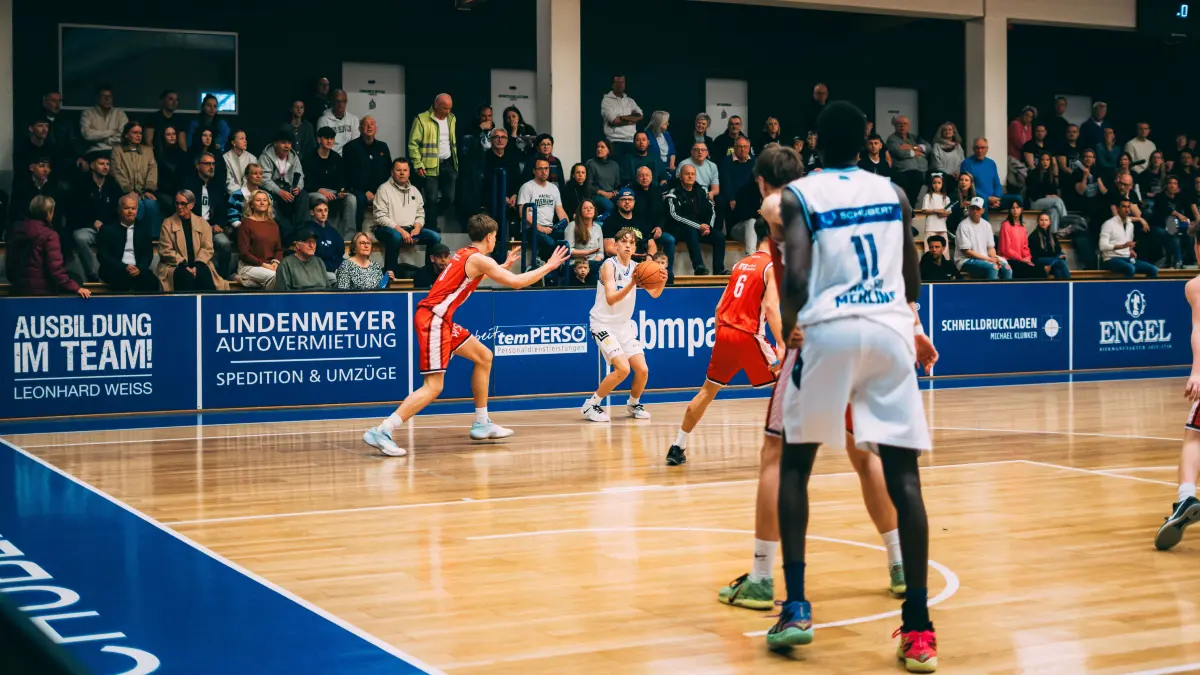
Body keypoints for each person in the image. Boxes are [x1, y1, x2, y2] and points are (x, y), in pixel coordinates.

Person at [768, 101, 937, 671]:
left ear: (815, 142)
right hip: (890, 331)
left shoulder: (801, 195)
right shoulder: (895, 192)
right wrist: (910, 323)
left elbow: (795, 272)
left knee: (795, 466)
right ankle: (918, 627)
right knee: (904, 477)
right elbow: (912, 274)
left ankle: (795, 606)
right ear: (868, 140)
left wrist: (794, 324)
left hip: (830, 329)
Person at [362, 215, 570, 457]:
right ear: (490, 237)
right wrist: (549, 266)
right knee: (433, 386)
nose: (496, 240)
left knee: (484, 356)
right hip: (434, 319)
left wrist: (500, 267)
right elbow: (517, 283)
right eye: (496, 236)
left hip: (441, 319)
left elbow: (471, 275)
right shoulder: (479, 259)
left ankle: (482, 422)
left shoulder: (465, 253)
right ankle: (383, 430)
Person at [665, 220, 784, 465]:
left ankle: (677, 446)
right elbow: (771, 307)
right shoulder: (772, 266)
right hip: (749, 335)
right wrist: (781, 344)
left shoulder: (740, 264)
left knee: (707, 392)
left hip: (726, 333)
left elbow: (719, 308)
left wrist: (723, 338)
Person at [580, 227, 665, 423]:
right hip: (602, 324)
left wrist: (661, 282)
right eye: (624, 242)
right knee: (623, 369)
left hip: (624, 326)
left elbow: (654, 294)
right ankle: (591, 404)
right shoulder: (608, 266)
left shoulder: (638, 267)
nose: (628, 245)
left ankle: (633, 403)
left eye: (632, 243)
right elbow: (610, 299)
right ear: (615, 245)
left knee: (642, 370)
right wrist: (632, 283)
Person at [1155, 250, 1200, 550]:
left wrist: (1197, 371)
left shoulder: (1195, 286)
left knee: (1194, 438)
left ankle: (1186, 498)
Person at [5, 196, 90, 298]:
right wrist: (75, 287)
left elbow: (9, 264)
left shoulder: (16, 230)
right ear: (48, 213)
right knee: (76, 279)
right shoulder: (49, 235)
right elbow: (55, 269)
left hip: (18, 288)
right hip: (42, 292)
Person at [373, 158, 440, 273]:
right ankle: (390, 274)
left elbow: (420, 213)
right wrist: (400, 231)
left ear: (409, 172)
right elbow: (380, 217)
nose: (402, 173)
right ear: (392, 172)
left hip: (410, 230)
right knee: (395, 237)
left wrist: (417, 228)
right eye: (398, 170)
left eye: (405, 170)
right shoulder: (383, 189)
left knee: (435, 237)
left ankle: (429, 273)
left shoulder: (414, 191)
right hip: (387, 229)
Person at [156, 190, 227, 292]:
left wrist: (197, 266)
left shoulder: (202, 223)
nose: (179, 207)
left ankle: (208, 307)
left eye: (183, 204)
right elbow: (165, 250)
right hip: (175, 264)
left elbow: (207, 248)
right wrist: (184, 264)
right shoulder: (167, 224)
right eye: (177, 203)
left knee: (204, 275)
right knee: (185, 277)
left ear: (191, 205)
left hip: (200, 263)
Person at [665, 164, 725, 275]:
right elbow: (675, 215)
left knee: (719, 237)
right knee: (690, 230)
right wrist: (698, 226)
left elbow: (711, 209)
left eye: (693, 174)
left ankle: (719, 270)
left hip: (701, 228)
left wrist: (707, 227)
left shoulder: (701, 191)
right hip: (680, 230)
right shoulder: (673, 193)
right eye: (687, 174)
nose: (690, 176)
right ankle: (698, 266)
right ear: (680, 176)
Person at [98, 193, 160, 292]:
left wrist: (140, 268)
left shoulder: (143, 229)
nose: (130, 211)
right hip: (115, 269)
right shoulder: (107, 229)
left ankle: (146, 307)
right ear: (119, 210)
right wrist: (124, 267)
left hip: (137, 268)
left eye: (133, 208)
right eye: (126, 208)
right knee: (122, 281)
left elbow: (147, 253)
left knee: (152, 281)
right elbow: (103, 255)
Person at [236, 190, 284, 289]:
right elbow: (244, 253)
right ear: (252, 205)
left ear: (268, 204)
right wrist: (265, 266)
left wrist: (275, 263)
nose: (262, 203)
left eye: (265, 200)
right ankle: (271, 303)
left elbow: (278, 249)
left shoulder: (273, 225)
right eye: (258, 200)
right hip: (249, 266)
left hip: (270, 266)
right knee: (275, 276)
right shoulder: (246, 224)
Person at [956, 197, 1013, 280]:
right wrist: (989, 259)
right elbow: (967, 252)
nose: (975, 211)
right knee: (993, 267)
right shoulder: (963, 225)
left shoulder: (986, 225)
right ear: (969, 209)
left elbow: (990, 247)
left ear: (983, 210)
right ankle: (990, 292)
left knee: (1007, 268)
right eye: (973, 208)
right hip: (965, 261)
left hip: (984, 258)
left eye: (978, 208)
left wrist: (994, 258)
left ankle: (1006, 292)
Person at [1100, 198, 1158, 278]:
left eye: (1128, 207)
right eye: (1124, 207)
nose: (1127, 210)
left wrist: (1130, 250)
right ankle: (1125, 290)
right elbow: (1102, 246)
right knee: (1130, 268)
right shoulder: (1108, 224)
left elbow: (1127, 243)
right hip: (1111, 259)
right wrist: (1122, 246)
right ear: (1117, 209)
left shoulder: (1130, 225)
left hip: (1127, 258)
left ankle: (1146, 290)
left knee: (1153, 269)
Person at [998, 203, 1039, 278]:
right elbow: (1005, 249)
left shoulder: (1022, 227)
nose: (1015, 210)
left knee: (1039, 271)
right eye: (1013, 208)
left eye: (1017, 208)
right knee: (1028, 272)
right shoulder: (1005, 225)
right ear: (1010, 210)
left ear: (1021, 209)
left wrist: (1027, 258)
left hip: (1020, 260)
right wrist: (1021, 259)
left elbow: (1025, 247)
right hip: (1008, 260)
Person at [308, 201, 345, 282]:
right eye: (319, 210)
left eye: (325, 210)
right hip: (316, 270)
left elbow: (340, 251)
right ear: (312, 212)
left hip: (334, 268)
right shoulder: (307, 231)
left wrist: (335, 267)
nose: (323, 213)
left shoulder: (334, 232)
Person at [1029, 212, 1070, 279]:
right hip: (1039, 261)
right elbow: (1033, 256)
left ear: (1050, 222)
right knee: (1060, 262)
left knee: (1058, 269)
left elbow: (1058, 250)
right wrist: (1042, 267)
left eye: (1046, 220)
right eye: (1041, 220)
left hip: (1053, 261)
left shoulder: (1052, 236)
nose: (1044, 222)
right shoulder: (1034, 236)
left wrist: (1060, 255)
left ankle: (1061, 288)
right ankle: (1070, 283)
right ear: (1038, 222)